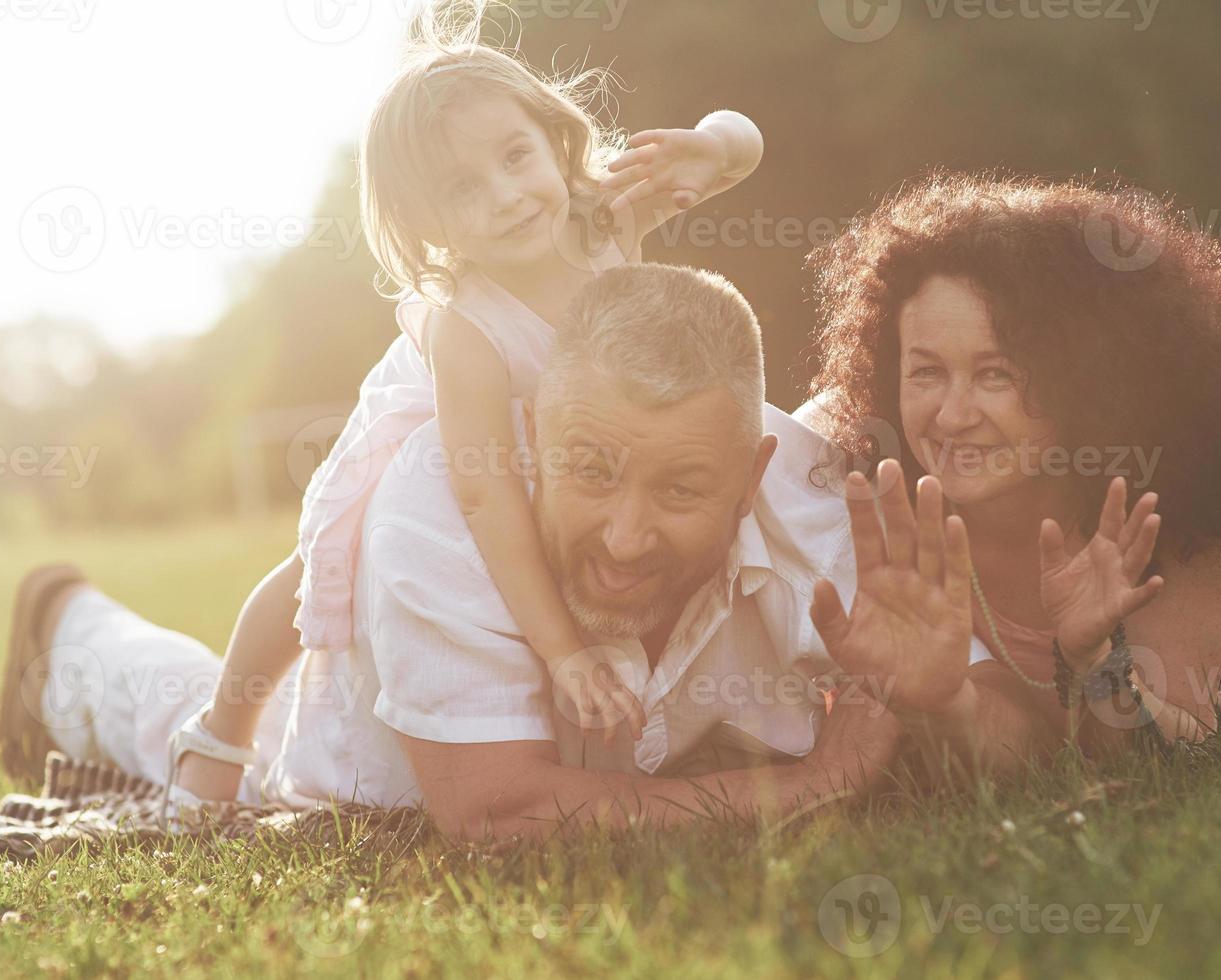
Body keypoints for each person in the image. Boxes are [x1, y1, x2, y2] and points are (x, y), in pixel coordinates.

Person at [0, 263, 923, 840]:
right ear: (533, 432)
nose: (628, 536)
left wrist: (933, 694)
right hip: (356, 756)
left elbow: (965, 703)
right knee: (180, 716)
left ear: (753, 466)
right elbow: (498, 813)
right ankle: (64, 630)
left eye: (681, 491)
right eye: (591, 472)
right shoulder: (438, 502)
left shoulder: (820, 499)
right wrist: (813, 783)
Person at [166, 3, 769, 803]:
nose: (507, 195)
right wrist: (562, 653)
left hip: (564, 430)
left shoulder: (606, 216)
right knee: (321, 565)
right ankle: (220, 735)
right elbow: (484, 496)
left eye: (517, 156)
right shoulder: (467, 330)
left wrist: (714, 144)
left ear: (554, 140)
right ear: (425, 220)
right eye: (462, 189)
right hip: (433, 417)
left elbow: (740, 151)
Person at [796, 173, 1221, 773]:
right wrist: (935, 707)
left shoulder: (1175, 493)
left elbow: (1175, 751)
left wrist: (1097, 660)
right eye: (925, 372)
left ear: (1087, 383)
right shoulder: (850, 473)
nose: (952, 415)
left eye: (997, 374)